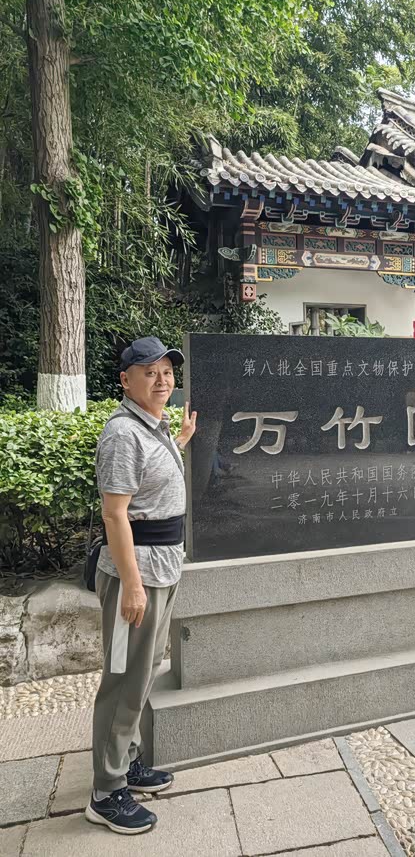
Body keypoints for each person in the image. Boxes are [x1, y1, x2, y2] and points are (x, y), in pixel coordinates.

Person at [86, 337, 197, 835]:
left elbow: (151, 482)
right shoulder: (122, 434)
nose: (162, 380)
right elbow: (115, 513)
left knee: (145, 669)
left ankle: (127, 761)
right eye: (149, 372)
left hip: (163, 567)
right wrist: (131, 585)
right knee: (124, 677)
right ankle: (106, 792)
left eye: (167, 372)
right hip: (138, 574)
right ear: (125, 380)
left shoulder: (153, 427)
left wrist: (181, 441)